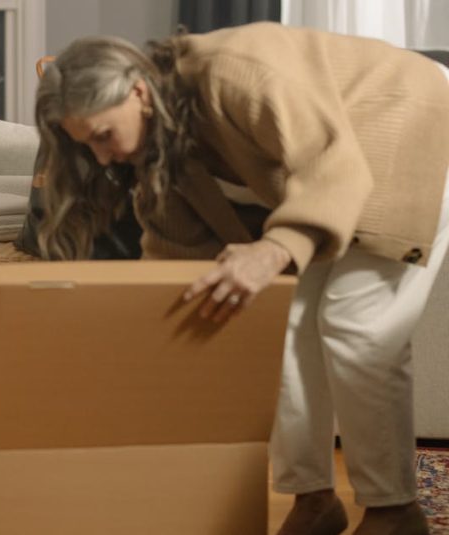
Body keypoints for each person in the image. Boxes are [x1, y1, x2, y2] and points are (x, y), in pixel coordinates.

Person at [34, 22, 449, 535]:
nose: (102, 157)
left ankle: (394, 511)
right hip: (334, 173)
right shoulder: (161, 147)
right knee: (280, 328)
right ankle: (314, 500)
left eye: (103, 136)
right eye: (88, 146)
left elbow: (333, 166)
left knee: (355, 320)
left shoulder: (236, 74)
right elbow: (172, 260)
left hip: (406, 122)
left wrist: (273, 250)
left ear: (137, 92)